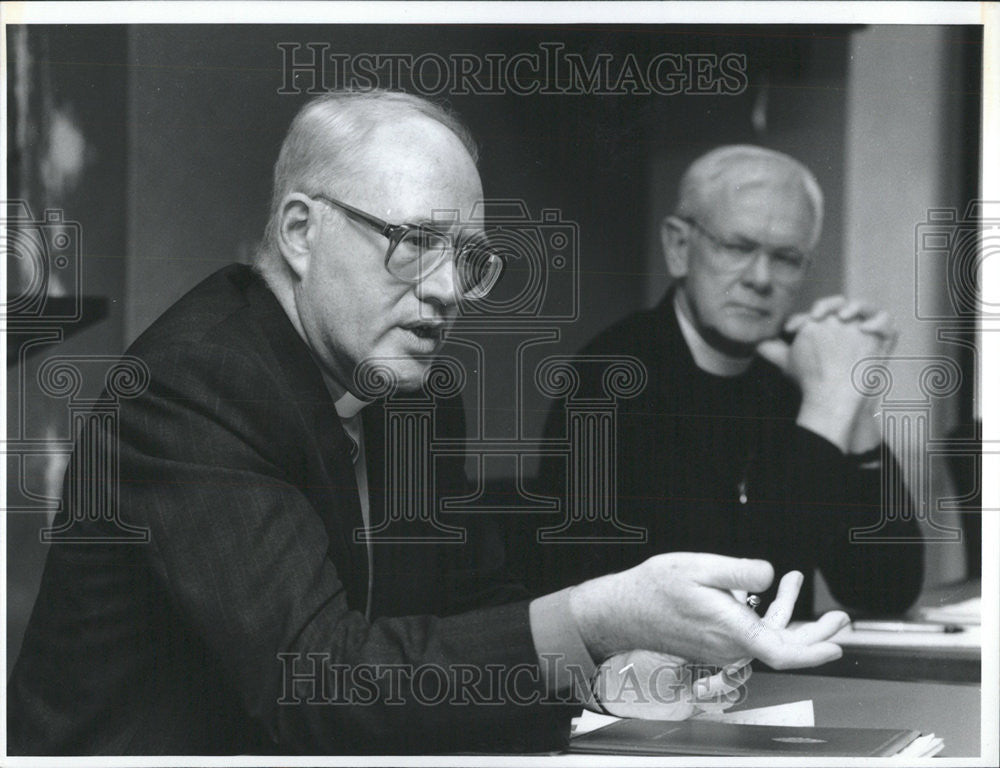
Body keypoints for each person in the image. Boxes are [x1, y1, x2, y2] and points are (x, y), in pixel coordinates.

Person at [7, 97, 850, 756]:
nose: (449, 289)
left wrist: (622, 675)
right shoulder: (197, 383)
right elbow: (318, 682)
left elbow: (466, 614)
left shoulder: (415, 392)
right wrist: (596, 617)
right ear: (301, 230)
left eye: (470, 258)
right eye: (415, 242)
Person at [514, 145, 923, 619]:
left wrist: (856, 402)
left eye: (787, 257)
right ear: (679, 247)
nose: (762, 278)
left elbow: (885, 590)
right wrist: (828, 406)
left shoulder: (785, 378)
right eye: (737, 247)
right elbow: (736, 611)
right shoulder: (611, 378)